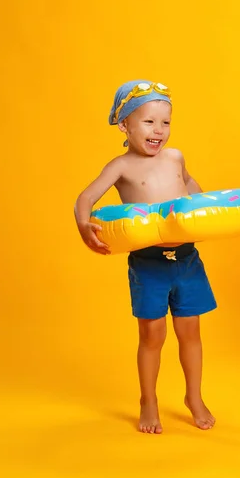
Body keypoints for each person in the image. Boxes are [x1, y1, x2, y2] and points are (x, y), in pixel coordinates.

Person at [75, 80, 217, 433]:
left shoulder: (174, 156)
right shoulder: (121, 167)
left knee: (191, 332)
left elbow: (191, 183)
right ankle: (148, 400)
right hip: (148, 264)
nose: (159, 131)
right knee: (152, 335)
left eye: (165, 123)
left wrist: (207, 209)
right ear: (125, 126)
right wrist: (83, 224)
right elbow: (85, 198)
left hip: (186, 258)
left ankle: (194, 397)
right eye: (149, 122)